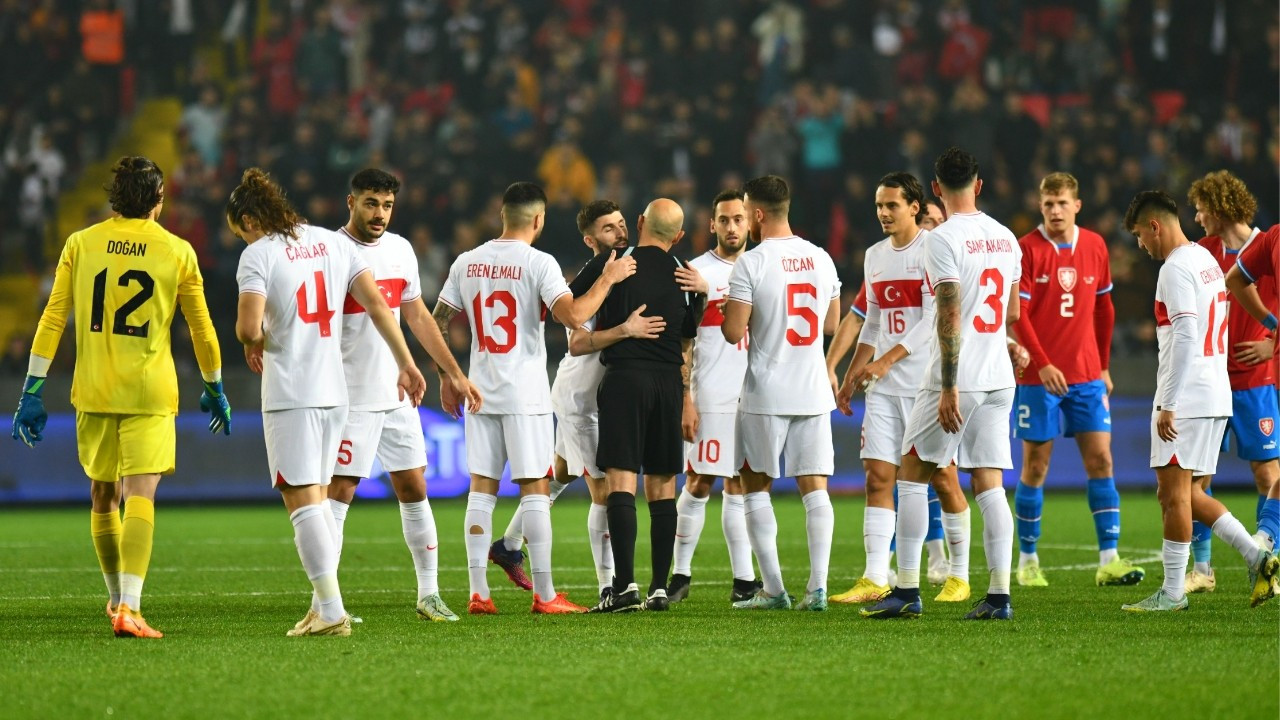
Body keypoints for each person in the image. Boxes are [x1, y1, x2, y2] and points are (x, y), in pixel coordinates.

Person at [11, 156, 230, 639]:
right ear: (158, 199)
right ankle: (130, 606)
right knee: (140, 496)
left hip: (93, 388)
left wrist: (32, 388)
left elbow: (52, 318)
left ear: (114, 198)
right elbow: (201, 329)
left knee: (103, 494)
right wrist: (214, 386)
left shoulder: (81, 243)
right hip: (149, 391)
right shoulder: (177, 250)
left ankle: (115, 599)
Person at [231, 168, 427, 636]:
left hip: (291, 392)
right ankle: (324, 608)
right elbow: (379, 304)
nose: (241, 239)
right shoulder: (330, 242)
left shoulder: (257, 254)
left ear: (248, 221)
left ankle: (332, 611)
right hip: (337, 392)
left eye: (239, 231)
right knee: (319, 500)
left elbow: (247, 328)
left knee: (302, 501)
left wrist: (255, 339)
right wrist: (406, 363)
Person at [433, 181, 633, 615]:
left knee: (481, 491)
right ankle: (545, 595)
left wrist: (449, 376)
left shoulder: (466, 261)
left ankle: (479, 594)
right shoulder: (539, 262)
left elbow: (438, 319)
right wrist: (608, 278)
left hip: (479, 392)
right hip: (525, 395)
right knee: (536, 491)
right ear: (539, 219)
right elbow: (574, 316)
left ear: (502, 214)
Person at [862, 147, 1020, 621]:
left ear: (935, 189)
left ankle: (906, 590)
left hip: (958, 377)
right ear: (979, 184)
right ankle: (998, 597)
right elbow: (1012, 312)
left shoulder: (942, 239)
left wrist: (949, 386)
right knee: (989, 484)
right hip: (999, 378)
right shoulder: (1006, 237)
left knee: (912, 474)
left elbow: (948, 312)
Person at [324, 169, 482, 622]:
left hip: (396, 391)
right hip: (350, 393)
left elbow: (417, 317)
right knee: (340, 492)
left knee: (414, 486)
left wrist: (451, 373)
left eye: (387, 205)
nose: (380, 213)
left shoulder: (399, 250)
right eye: (371, 203)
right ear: (351, 202)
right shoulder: (332, 252)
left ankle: (429, 594)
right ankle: (326, 603)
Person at [1120, 190, 1278, 612]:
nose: (1141, 245)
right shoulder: (1207, 260)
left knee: (1173, 496)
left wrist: (1168, 402)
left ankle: (1173, 593)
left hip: (1187, 397)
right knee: (1189, 493)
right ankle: (1256, 556)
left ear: (1155, 226)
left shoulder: (1174, 268)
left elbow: (1187, 334)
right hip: (1215, 392)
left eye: (1139, 235)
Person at [831, 172, 974, 605]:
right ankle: (875, 576)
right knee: (878, 477)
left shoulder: (934, 248)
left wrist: (887, 359)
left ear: (915, 207)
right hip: (884, 389)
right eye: (879, 205)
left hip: (925, 386)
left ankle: (959, 574)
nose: (883, 213)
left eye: (891, 205)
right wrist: (853, 373)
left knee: (943, 478)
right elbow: (873, 320)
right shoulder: (875, 255)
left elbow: (934, 320)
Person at [1010, 172, 1144, 588]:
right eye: (1048, 204)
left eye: (1062, 203)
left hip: (1087, 375)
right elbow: (1018, 315)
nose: (1055, 211)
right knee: (1036, 465)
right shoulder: (1026, 249)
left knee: (1101, 461)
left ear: (1077, 205)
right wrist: (1043, 364)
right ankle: (1028, 560)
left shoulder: (1095, 245)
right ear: (1040, 206)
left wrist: (1103, 366)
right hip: (1038, 377)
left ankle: (1109, 559)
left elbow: (1104, 309)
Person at [495, 199, 631, 602]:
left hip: (588, 394)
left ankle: (508, 545)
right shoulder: (591, 280)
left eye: (621, 223)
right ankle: (608, 587)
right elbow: (576, 340)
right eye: (608, 228)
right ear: (590, 240)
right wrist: (626, 330)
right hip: (580, 399)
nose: (619, 232)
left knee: (561, 474)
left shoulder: (619, 271)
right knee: (604, 491)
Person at [572, 198, 704, 613]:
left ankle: (624, 586)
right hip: (668, 383)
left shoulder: (614, 260)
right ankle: (659, 588)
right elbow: (687, 337)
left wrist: (607, 288)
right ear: (678, 236)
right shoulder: (686, 273)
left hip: (625, 379)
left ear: (641, 221)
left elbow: (569, 307)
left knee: (621, 481)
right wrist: (702, 292)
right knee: (663, 485)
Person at [722, 175, 840, 612]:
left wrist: (734, 312)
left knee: (754, 486)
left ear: (756, 214)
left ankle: (773, 590)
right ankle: (818, 588)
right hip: (812, 389)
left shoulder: (751, 263)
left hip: (767, 392)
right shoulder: (821, 258)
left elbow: (733, 331)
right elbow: (831, 324)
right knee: (815, 488)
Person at [667, 189, 763, 604]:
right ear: (712, 225)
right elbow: (683, 342)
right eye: (724, 219)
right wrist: (686, 398)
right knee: (699, 480)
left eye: (738, 219)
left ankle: (744, 581)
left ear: (750, 221)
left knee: (740, 483)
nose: (732, 226)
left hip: (755, 394)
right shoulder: (694, 272)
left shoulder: (763, 266)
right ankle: (679, 574)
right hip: (710, 393)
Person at [1186, 173, 1278, 591]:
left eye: (1201, 208)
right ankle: (1203, 570)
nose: (1197, 216)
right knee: (1198, 477)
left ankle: (1266, 559)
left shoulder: (1267, 246)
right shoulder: (1202, 253)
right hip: (1211, 379)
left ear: (1220, 209)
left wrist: (1272, 342)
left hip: (1256, 380)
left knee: (1267, 472)